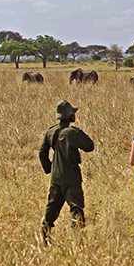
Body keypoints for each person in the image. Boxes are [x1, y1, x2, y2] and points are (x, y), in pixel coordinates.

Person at [39, 100, 94, 245]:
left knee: (52, 207)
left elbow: (42, 153)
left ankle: (45, 237)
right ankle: (78, 240)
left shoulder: (51, 132)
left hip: (56, 177)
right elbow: (90, 146)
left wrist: (50, 168)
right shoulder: (72, 133)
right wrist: (79, 133)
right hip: (71, 176)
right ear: (69, 115)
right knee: (76, 208)